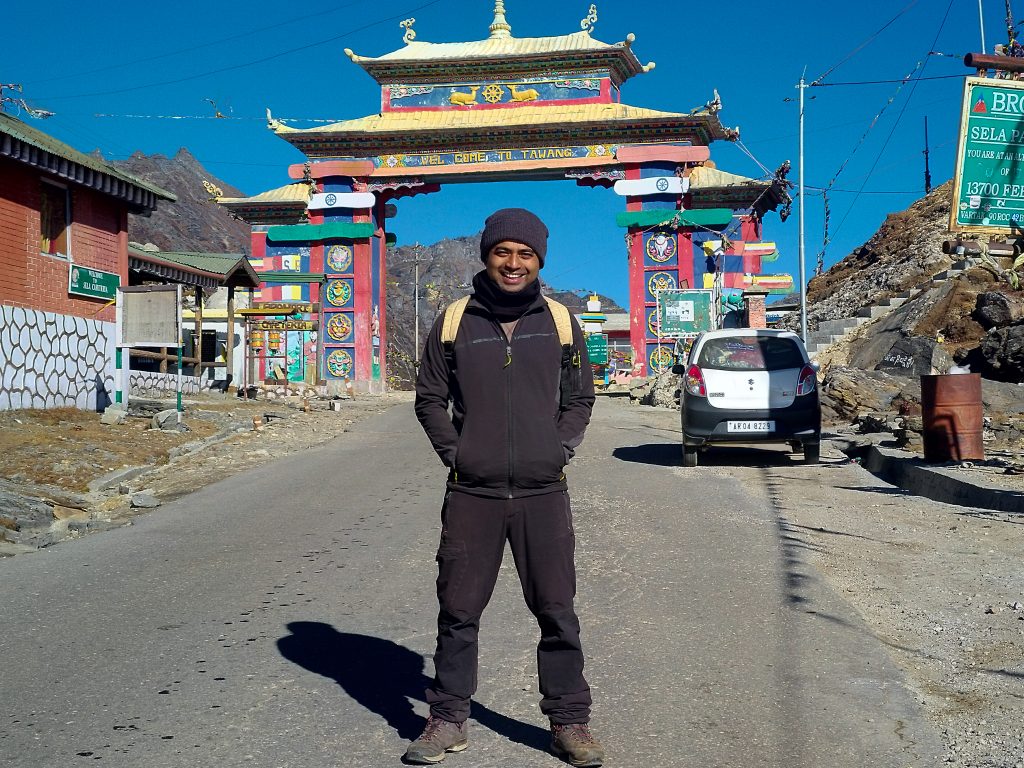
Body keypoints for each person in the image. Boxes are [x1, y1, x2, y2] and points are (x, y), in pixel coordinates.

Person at [409, 208, 603, 767]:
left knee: (556, 610)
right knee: (458, 609)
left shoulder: (562, 322)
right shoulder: (453, 321)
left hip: (544, 492)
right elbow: (429, 398)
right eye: (502, 252)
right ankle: (447, 719)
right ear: (486, 255)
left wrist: (558, 447)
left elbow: (580, 398)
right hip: (474, 494)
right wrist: (459, 453)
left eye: (525, 254)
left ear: (540, 260)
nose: (513, 263)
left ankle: (570, 721)